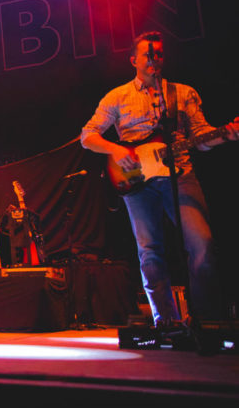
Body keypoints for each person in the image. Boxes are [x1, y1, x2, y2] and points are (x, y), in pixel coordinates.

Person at [81, 31, 238, 328]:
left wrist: (224, 135)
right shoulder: (118, 96)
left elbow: (200, 138)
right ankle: (165, 322)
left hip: (180, 175)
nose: (154, 59)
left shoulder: (182, 93)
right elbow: (87, 136)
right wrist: (115, 149)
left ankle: (205, 320)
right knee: (150, 252)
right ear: (134, 60)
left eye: (159, 55)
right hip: (137, 182)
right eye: (148, 55)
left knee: (202, 245)